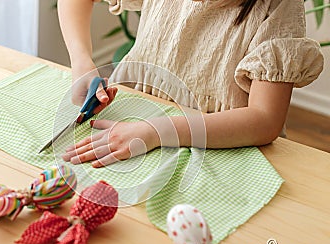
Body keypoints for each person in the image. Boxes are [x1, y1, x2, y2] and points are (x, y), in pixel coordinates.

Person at [59, 0, 324, 168]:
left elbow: (265, 121)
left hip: (224, 151)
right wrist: (81, 60)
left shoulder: (279, 6)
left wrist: (156, 131)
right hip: (134, 126)